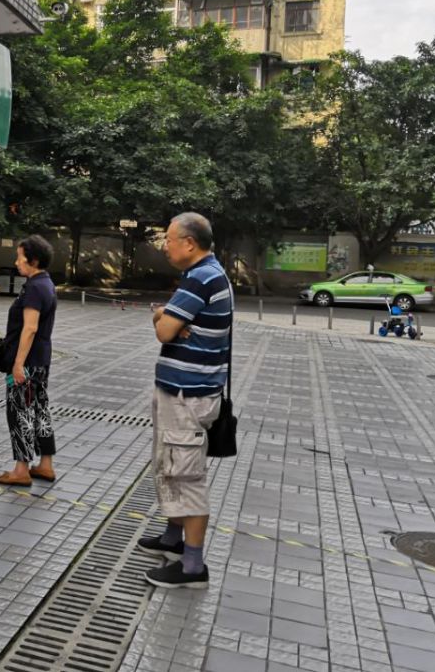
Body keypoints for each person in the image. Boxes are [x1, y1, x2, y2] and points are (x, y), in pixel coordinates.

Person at [139, 212, 233, 590]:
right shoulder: (209, 274)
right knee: (171, 463)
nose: (165, 245)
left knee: (185, 474)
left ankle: (193, 566)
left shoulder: (200, 278)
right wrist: (176, 323)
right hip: (186, 392)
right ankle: (172, 539)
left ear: (189, 243)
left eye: (169, 238)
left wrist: (164, 314)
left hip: (187, 396)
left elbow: (164, 330)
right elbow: (176, 330)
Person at [0, 235, 58, 487]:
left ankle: (21, 469)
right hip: (41, 359)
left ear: (34, 260)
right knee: (40, 409)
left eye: (20, 256)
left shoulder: (33, 288)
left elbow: (29, 328)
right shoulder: (47, 284)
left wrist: (18, 364)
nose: (16, 261)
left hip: (27, 362)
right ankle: (45, 464)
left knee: (19, 412)